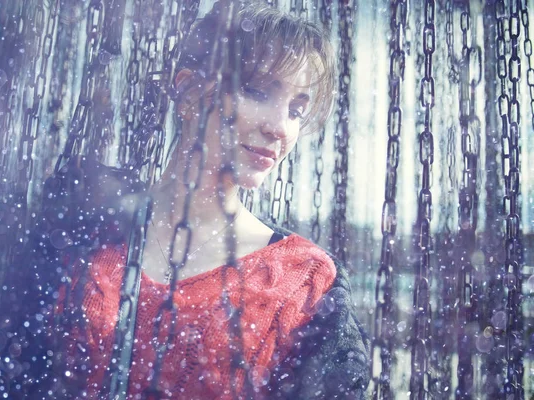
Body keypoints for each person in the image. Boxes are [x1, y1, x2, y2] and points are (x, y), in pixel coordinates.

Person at [56, 2, 370, 399]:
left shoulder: (304, 282)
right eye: (257, 91)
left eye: (296, 109)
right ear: (188, 91)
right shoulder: (82, 232)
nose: (280, 128)